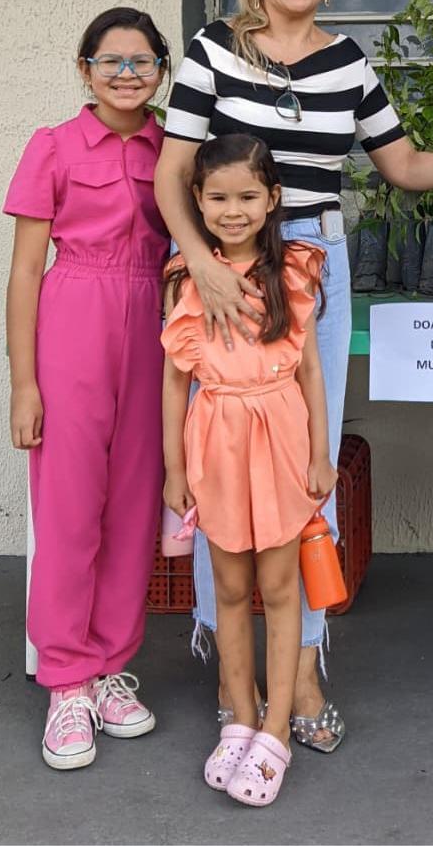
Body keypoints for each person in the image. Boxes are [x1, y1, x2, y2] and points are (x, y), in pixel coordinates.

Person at [154, 0, 433, 747]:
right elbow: (173, 175)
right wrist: (200, 263)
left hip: (316, 267)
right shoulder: (211, 53)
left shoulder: (349, 63)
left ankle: (300, 675)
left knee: (306, 472)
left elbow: (403, 165)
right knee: (220, 465)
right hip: (227, 266)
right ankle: (235, 686)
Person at [4, 7, 171, 769]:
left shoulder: (175, 148)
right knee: (71, 506)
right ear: (84, 69)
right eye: (112, 62)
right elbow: (24, 272)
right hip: (74, 319)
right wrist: (24, 385)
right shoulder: (54, 146)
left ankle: (108, 666)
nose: (127, 75)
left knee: (136, 502)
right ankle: (65, 681)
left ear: (161, 71)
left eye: (142, 62)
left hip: (152, 324)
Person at [161, 133, 333, 806]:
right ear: (197, 201)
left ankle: (275, 731)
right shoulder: (188, 276)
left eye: (247, 197)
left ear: (272, 199)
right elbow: (176, 382)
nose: (233, 211)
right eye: (218, 198)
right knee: (228, 587)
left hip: (280, 435)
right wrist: (175, 470)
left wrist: (319, 452)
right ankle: (237, 715)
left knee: (280, 587)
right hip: (218, 441)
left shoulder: (294, 268)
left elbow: (312, 369)